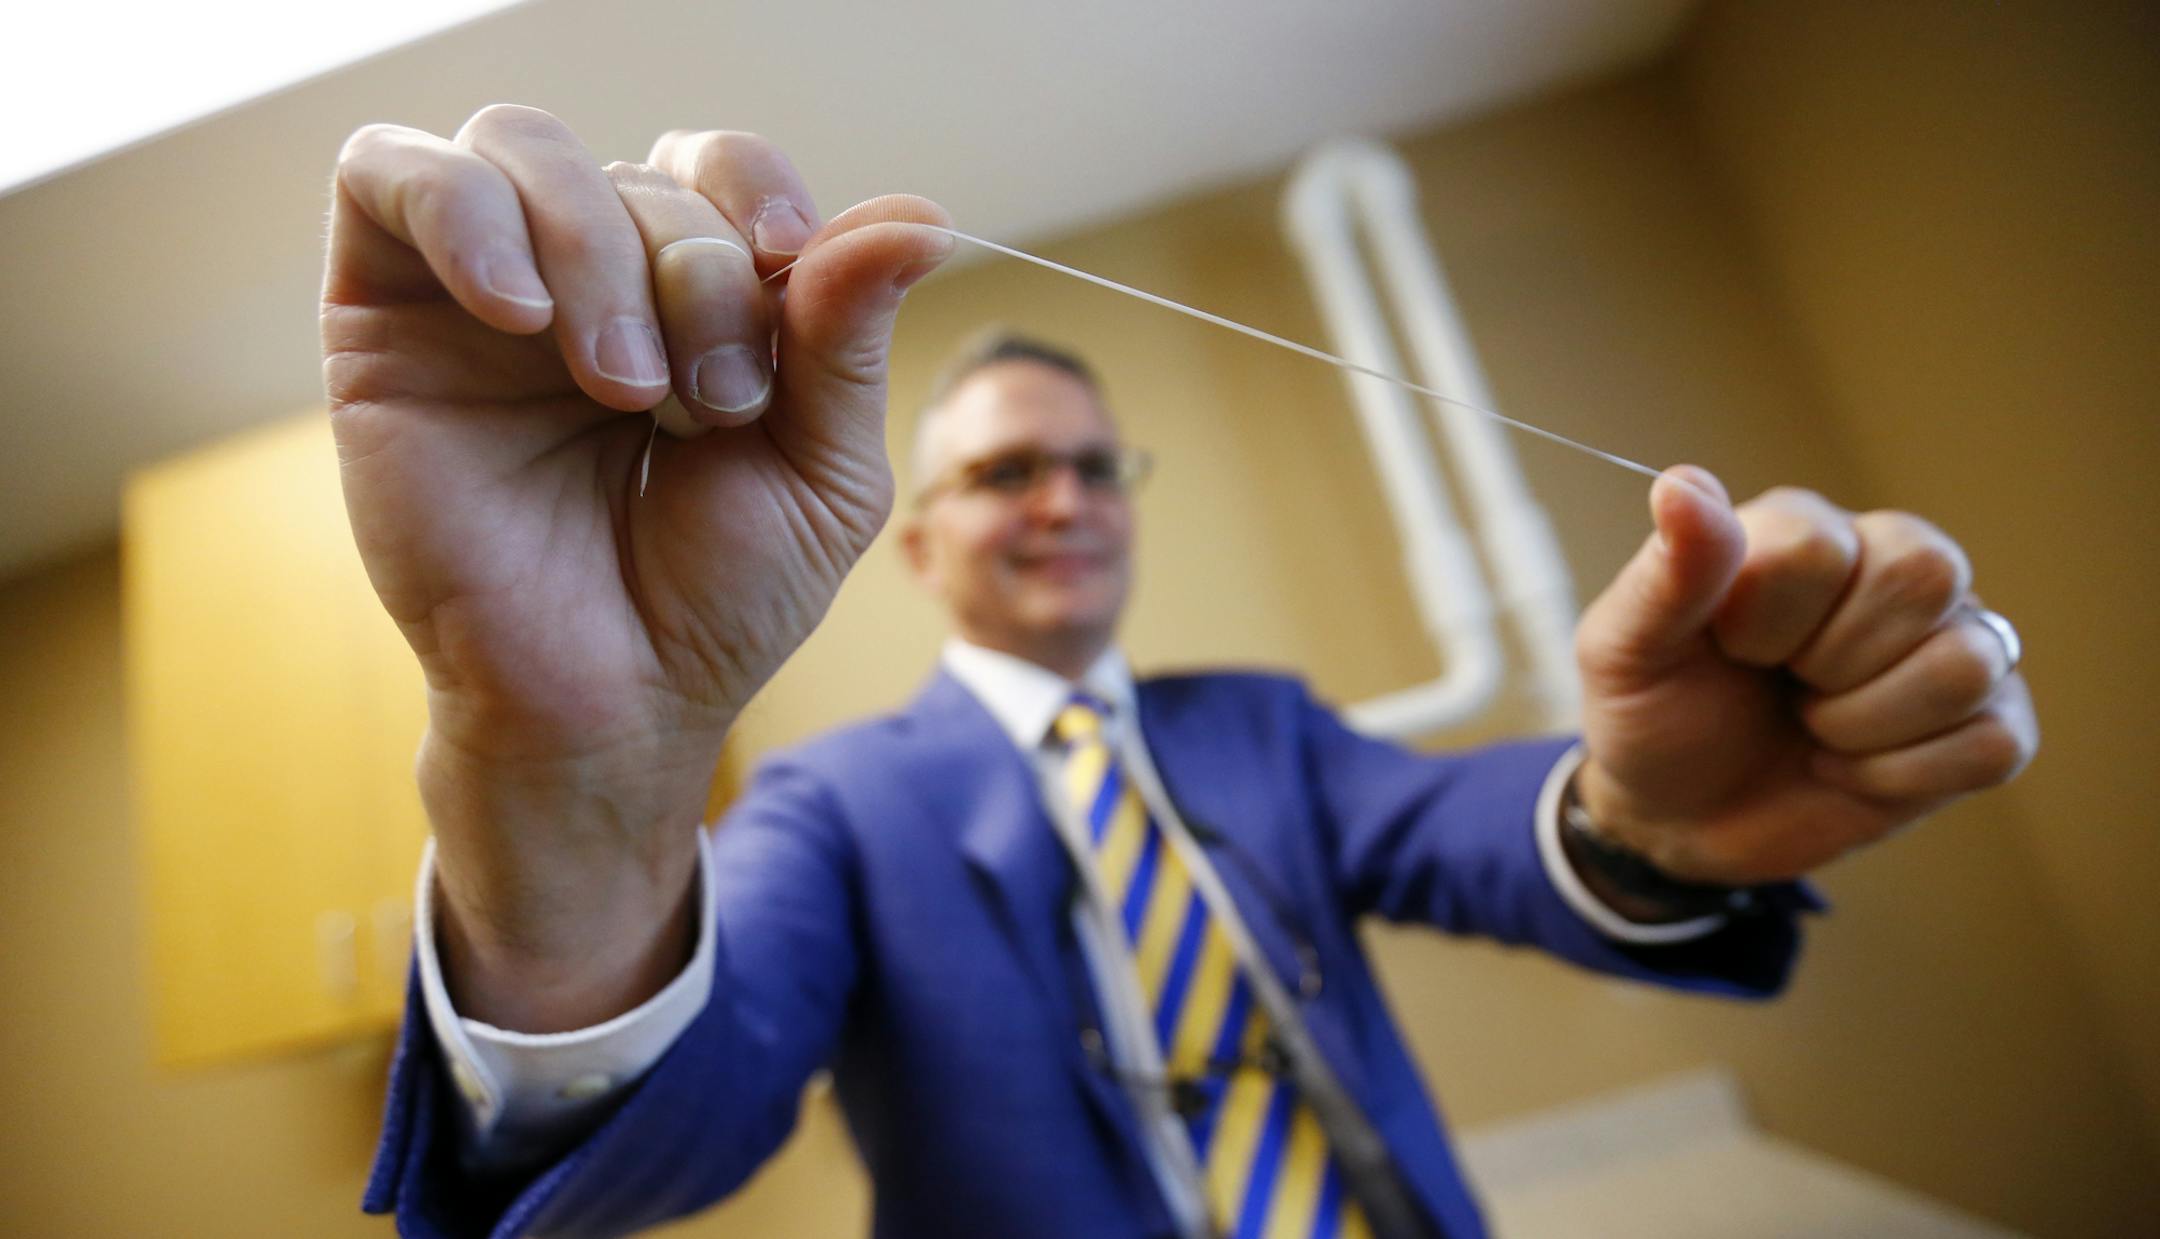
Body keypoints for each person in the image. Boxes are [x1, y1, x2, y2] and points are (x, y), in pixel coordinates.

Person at [327, 108, 2037, 1239]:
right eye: (1004, 473)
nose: (1061, 498)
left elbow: (1477, 828)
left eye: (1092, 467)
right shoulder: (834, 809)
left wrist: (1635, 823)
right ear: (916, 544)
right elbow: (675, 1129)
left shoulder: (1265, 732)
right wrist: (574, 776)